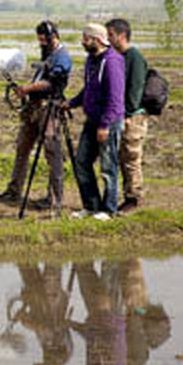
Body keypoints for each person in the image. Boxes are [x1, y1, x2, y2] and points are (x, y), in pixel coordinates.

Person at [0, 21, 73, 210]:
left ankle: (54, 197)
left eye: (44, 40)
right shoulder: (48, 54)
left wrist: (27, 88)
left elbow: (52, 83)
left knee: (52, 152)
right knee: (22, 148)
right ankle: (14, 191)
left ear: (53, 36)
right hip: (34, 108)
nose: (41, 43)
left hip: (49, 108)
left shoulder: (62, 56)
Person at [67, 23, 125, 219]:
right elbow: (89, 90)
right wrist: (72, 103)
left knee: (108, 167)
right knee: (81, 161)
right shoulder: (91, 60)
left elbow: (115, 98)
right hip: (92, 120)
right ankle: (91, 205)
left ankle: (109, 209)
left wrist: (105, 125)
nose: (83, 42)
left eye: (86, 38)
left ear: (98, 40)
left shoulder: (112, 62)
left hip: (107, 122)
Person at [105, 19, 149, 215]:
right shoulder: (117, 56)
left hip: (132, 117)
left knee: (131, 157)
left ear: (122, 36)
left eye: (111, 35)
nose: (108, 39)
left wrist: (128, 114)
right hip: (121, 115)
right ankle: (124, 196)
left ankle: (134, 198)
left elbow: (135, 90)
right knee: (121, 157)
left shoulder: (134, 57)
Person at [12, 262, 74, 365]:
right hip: (52, 299)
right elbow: (46, 328)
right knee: (53, 264)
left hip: (37, 298)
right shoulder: (63, 356)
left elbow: (38, 324)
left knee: (25, 264)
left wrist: (24, 314)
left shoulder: (46, 348)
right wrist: (27, 322)